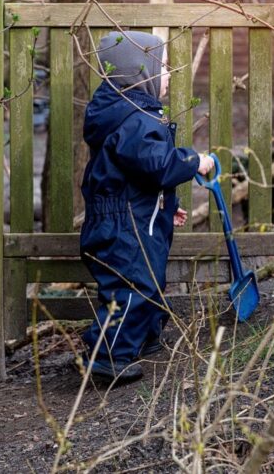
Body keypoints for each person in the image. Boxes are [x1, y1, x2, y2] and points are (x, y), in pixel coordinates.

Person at [79, 31, 215, 381]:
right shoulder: (134, 120)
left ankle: (143, 338)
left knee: (145, 282)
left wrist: (168, 206)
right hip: (126, 226)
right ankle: (107, 355)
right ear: (142, 73)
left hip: (133, 218)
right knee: (133, 286)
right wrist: (191, 161)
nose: (168, 73)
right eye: (163, 66)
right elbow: (157, 164)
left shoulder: (127, 114)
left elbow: (141, 177)